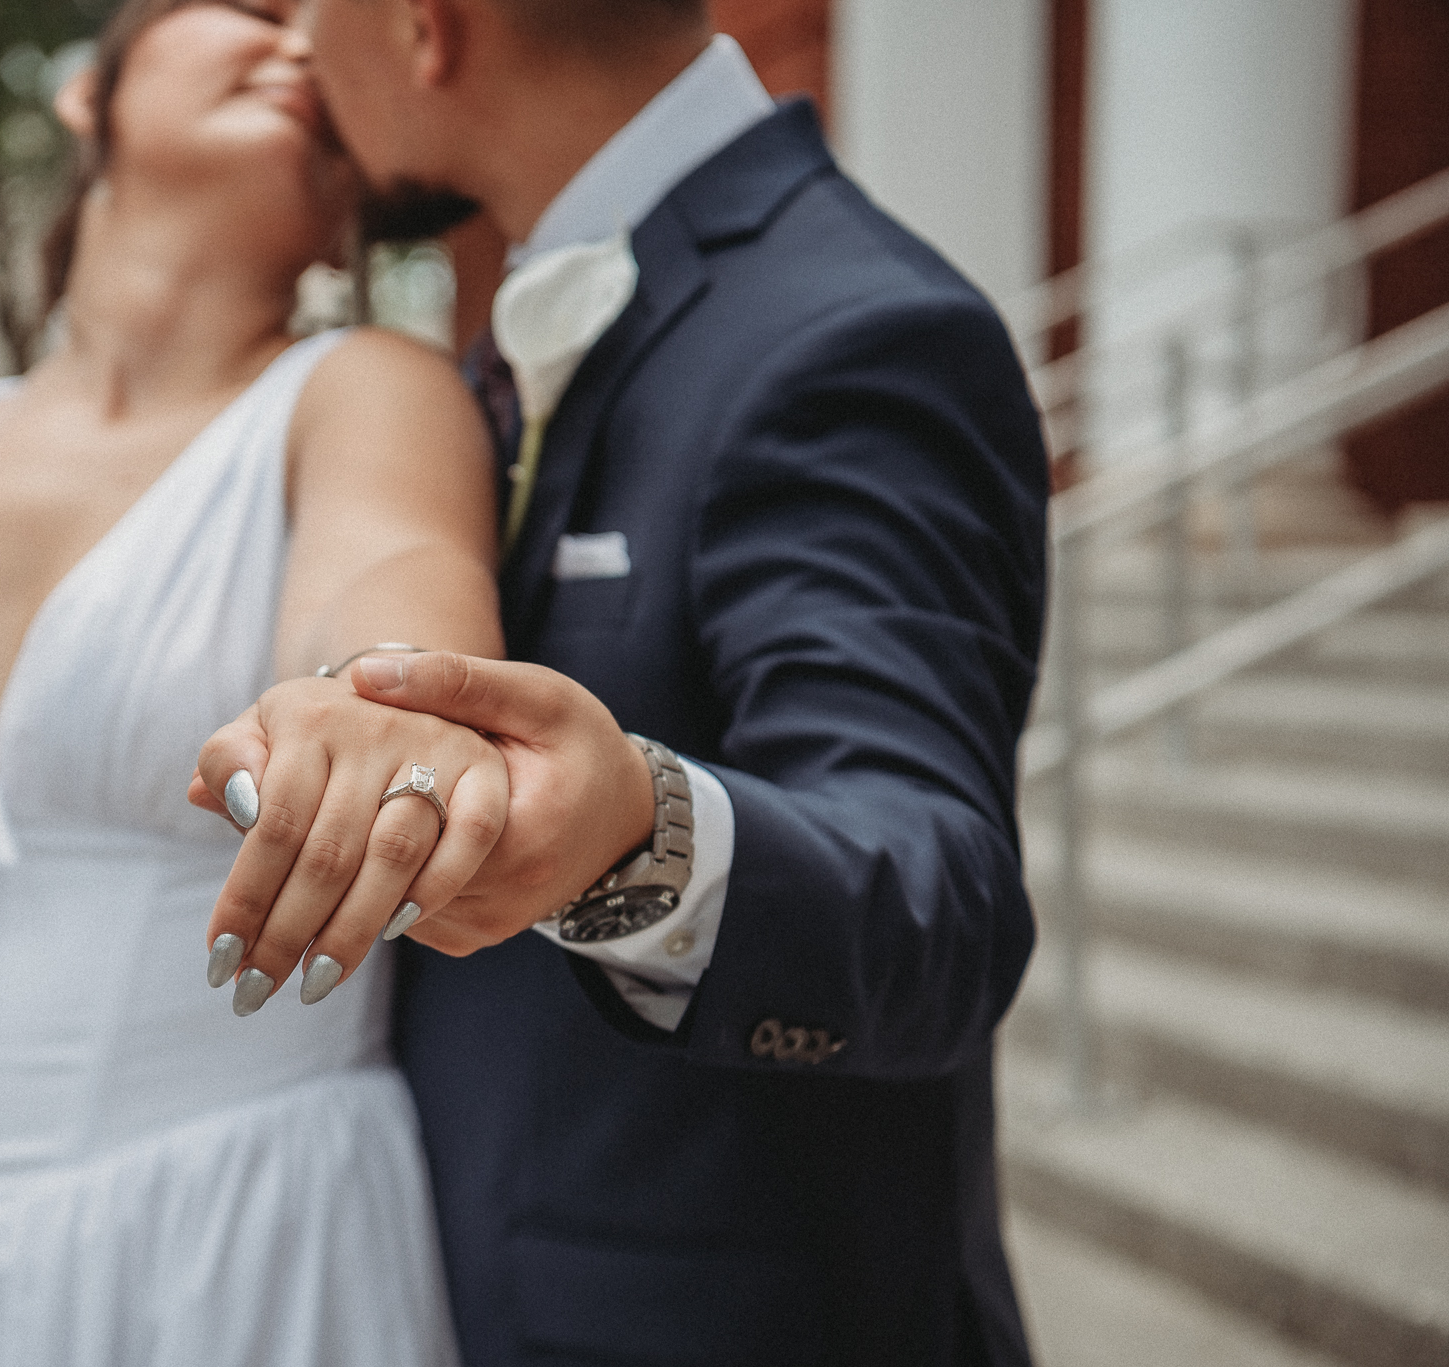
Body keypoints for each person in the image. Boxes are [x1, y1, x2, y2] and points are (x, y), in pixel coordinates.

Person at [195, 1, 1050, 1362]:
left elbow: (935, 902)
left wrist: (630, 838)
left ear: (424, 27)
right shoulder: (526, 323)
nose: (300, 44)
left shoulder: (853, 328)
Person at [0, 1, 509, 1361]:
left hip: (227, 1245)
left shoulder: (363, 390)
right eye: (247, 8)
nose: (301, 43)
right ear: (83, 95)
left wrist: (375, 699)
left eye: (328, 30)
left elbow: (393, 575)